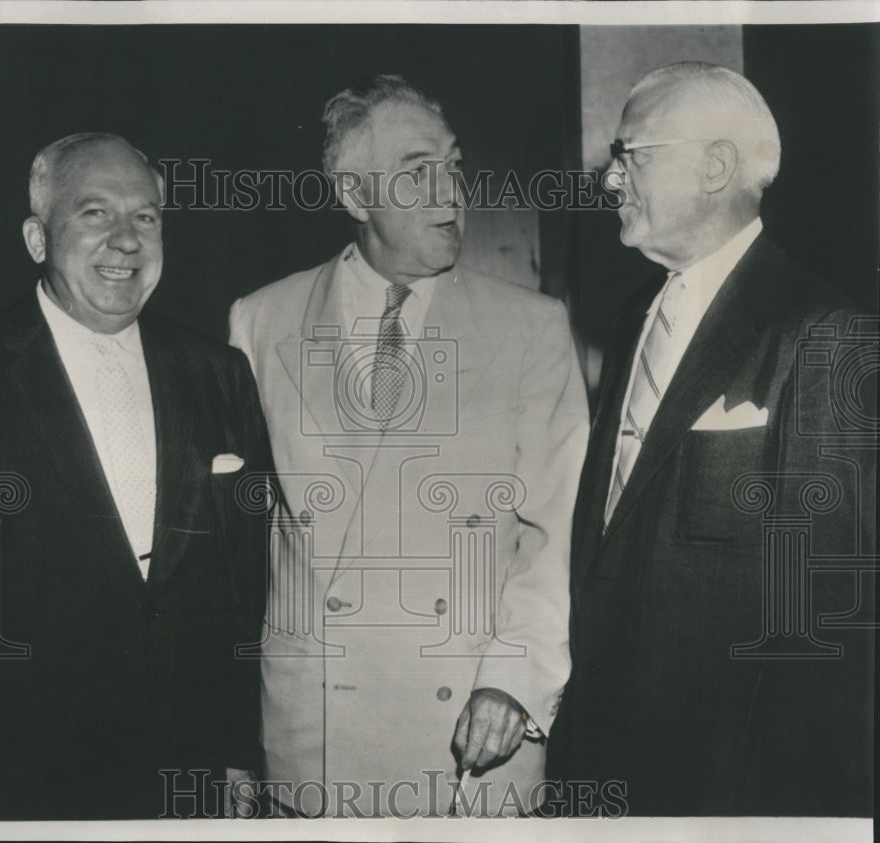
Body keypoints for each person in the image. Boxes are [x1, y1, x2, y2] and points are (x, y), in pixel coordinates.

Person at [229, 74, 588, 817]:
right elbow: (234, 544)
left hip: (472, 734)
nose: (451, 191)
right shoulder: (259, 322)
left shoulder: (534, 327)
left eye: (454, 165)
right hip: (315, 732)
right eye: (417, 170)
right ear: (356, 197)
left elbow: (557, 534)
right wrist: (225, 740)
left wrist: (512, 680)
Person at [0, 133, 272, 820]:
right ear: (37, 238)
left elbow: (241, 583)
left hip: (186, 774)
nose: (127, 240)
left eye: (146, 216)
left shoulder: (217, 372)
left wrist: (235, 751)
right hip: (20, 779)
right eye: (95, 213)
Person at [549, 62, 874, 816]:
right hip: (603, 759)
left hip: (722, 779)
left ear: (717, 165)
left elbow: (822, 626)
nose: (608, 181)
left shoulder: (823, 331)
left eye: (630, 155)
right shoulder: (636, 313)